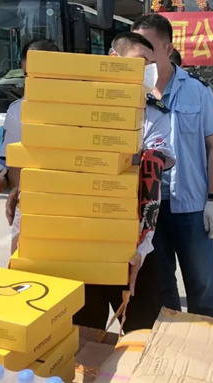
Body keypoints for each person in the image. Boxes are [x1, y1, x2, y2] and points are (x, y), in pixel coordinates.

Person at [72, 31, 175, 332]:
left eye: (151, 64)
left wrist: (141, 249)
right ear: (114, 60)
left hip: (133, 239)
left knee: (140, 328)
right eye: (141, 62)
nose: (148, 71)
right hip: (82, 239)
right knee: (83, 331)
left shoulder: (153, 115)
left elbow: (151, 185)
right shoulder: (77, 108)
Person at [132, 14, 213, 318]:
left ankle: (208, 338)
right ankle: (171, 339)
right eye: (136, 46)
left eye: (148, 46)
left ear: (168, 47)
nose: (141, 54)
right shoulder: (129, 92)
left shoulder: (197, 91)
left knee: (202, 284)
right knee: (160, 286)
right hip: (149, 207)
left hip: (191, 207)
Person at [0, 39, 61, 253]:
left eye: (41, 75)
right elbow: (14, 167)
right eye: (27, 75)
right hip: (32, 205)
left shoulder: (86, 107)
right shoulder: (18, 111)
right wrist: (21, 196)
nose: (33, 82)